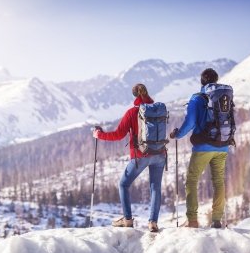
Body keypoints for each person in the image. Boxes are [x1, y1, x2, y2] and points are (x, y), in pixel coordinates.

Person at [92, 83, 166, 232]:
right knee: (155, 187)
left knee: (124, 184)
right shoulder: (159, 110)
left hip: (141, 156)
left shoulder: (132, 112)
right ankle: (153, 223)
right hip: (159, 154)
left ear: (134, 96)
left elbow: (118, 134)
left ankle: (127, 220)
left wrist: (99, 135)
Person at [170, 68, 228, 228]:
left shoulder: (197, 99)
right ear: (216, 80)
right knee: (218, 181)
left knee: (191, 181)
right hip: (223, 145)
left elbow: (190, 123)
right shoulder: (224, 97)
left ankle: (193, 220)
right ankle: (217, 220)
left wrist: (177, 135)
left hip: (203, 146)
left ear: (202, 82)